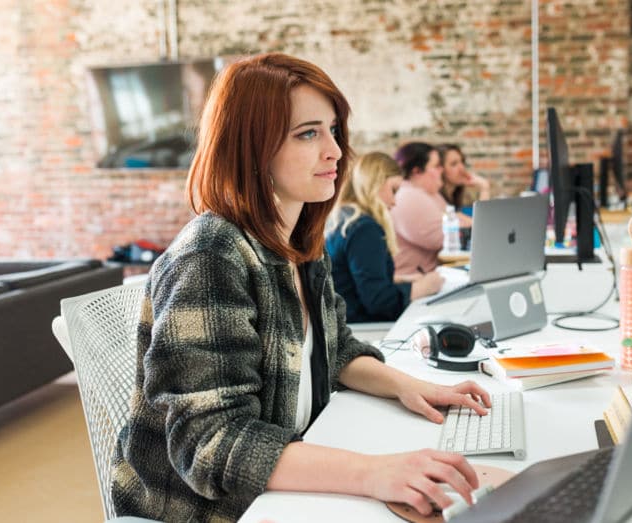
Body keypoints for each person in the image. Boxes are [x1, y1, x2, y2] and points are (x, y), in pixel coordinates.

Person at [111, 53, 491, 522]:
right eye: (307, 133)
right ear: (251, 147)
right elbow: (210, 443)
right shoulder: (210, 256)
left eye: (332, 130)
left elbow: (337, 348)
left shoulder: (300, 243)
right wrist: (374, 473)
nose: (334, 150)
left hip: (279, 487)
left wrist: (412, 387)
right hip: (207, 511)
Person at [326, 152, 443, 322]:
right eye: (393, 190)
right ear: (375, 183)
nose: (395, 202)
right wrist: (422, 287)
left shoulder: (344, 218)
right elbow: (379, 302)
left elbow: (354, 279)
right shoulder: (364, 228)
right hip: (361, 329)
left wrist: (402, 280)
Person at [389, 142, 447, 276]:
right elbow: (441, 239)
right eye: (436, 166)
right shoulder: (408, 196)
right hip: (412, 282)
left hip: (425, 277)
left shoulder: (429, 193)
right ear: (416, 172)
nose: (441, 170)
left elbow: (454, 219)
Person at [437, 143, 491, 226]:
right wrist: (484, 188)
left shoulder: (455, 196)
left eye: (462, 162)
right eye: (454, 164)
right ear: (440, 169)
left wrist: (484, 187)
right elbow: (480, 225)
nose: (462, 168)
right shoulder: (436, 200)